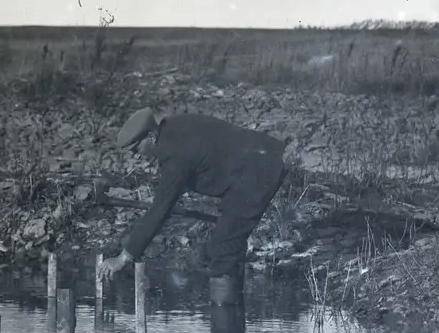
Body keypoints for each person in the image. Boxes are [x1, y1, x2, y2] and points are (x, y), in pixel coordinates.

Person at [95, 107, 292, 305]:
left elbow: (160, 209)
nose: (136, 157)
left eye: (136, 150)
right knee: (228, 243)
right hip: (261, 157)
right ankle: (233, 312)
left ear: (151, 137)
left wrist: (124, 257)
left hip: (258, 172)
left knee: (222, 248)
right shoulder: (173, 127)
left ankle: (224, 316)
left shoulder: (174, 155)